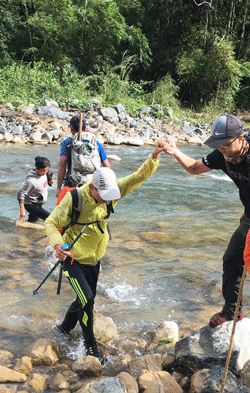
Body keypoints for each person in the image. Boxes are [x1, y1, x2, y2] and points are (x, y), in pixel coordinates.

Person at [162, 114, 250, 327]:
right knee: (232, 260)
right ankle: (232, 312)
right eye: (218, 145)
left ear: (240, 138)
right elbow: (194, 168)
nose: (222, 149)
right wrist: (175, 152)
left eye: (226, 144)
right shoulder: (221, 155)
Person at [45, 140, 164, 363]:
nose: (109, 199)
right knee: (88, 299)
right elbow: (51, 223)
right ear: (92, 188)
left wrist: (154, 156)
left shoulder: (112, 193)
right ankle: (90, 346)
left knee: (85, 298)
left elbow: (137, 177)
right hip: (72, 258)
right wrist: (58, 245)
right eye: (104, 195)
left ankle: (63, 328)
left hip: (94, 259)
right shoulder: (75, 199)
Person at [56, 114, 110, 199]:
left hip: (72, 186)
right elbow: (106, 166)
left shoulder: (67, 143)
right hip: (92, 187)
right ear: (85, 128)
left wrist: (59, 188)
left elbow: (62, 163)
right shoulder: (95, 143)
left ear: (72, 129)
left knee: (65, 211)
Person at [18, 156, 54, 222]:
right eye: (43, 171)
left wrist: (50, 180)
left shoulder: (44, 172)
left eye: (46, 170)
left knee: (33, 221)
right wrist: (22, 211)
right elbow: (20, 194)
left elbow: (48, 174)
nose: (45, 173)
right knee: (50, 219)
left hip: (38, 202)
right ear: (37, 168)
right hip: (31, 204)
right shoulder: (31, 181)